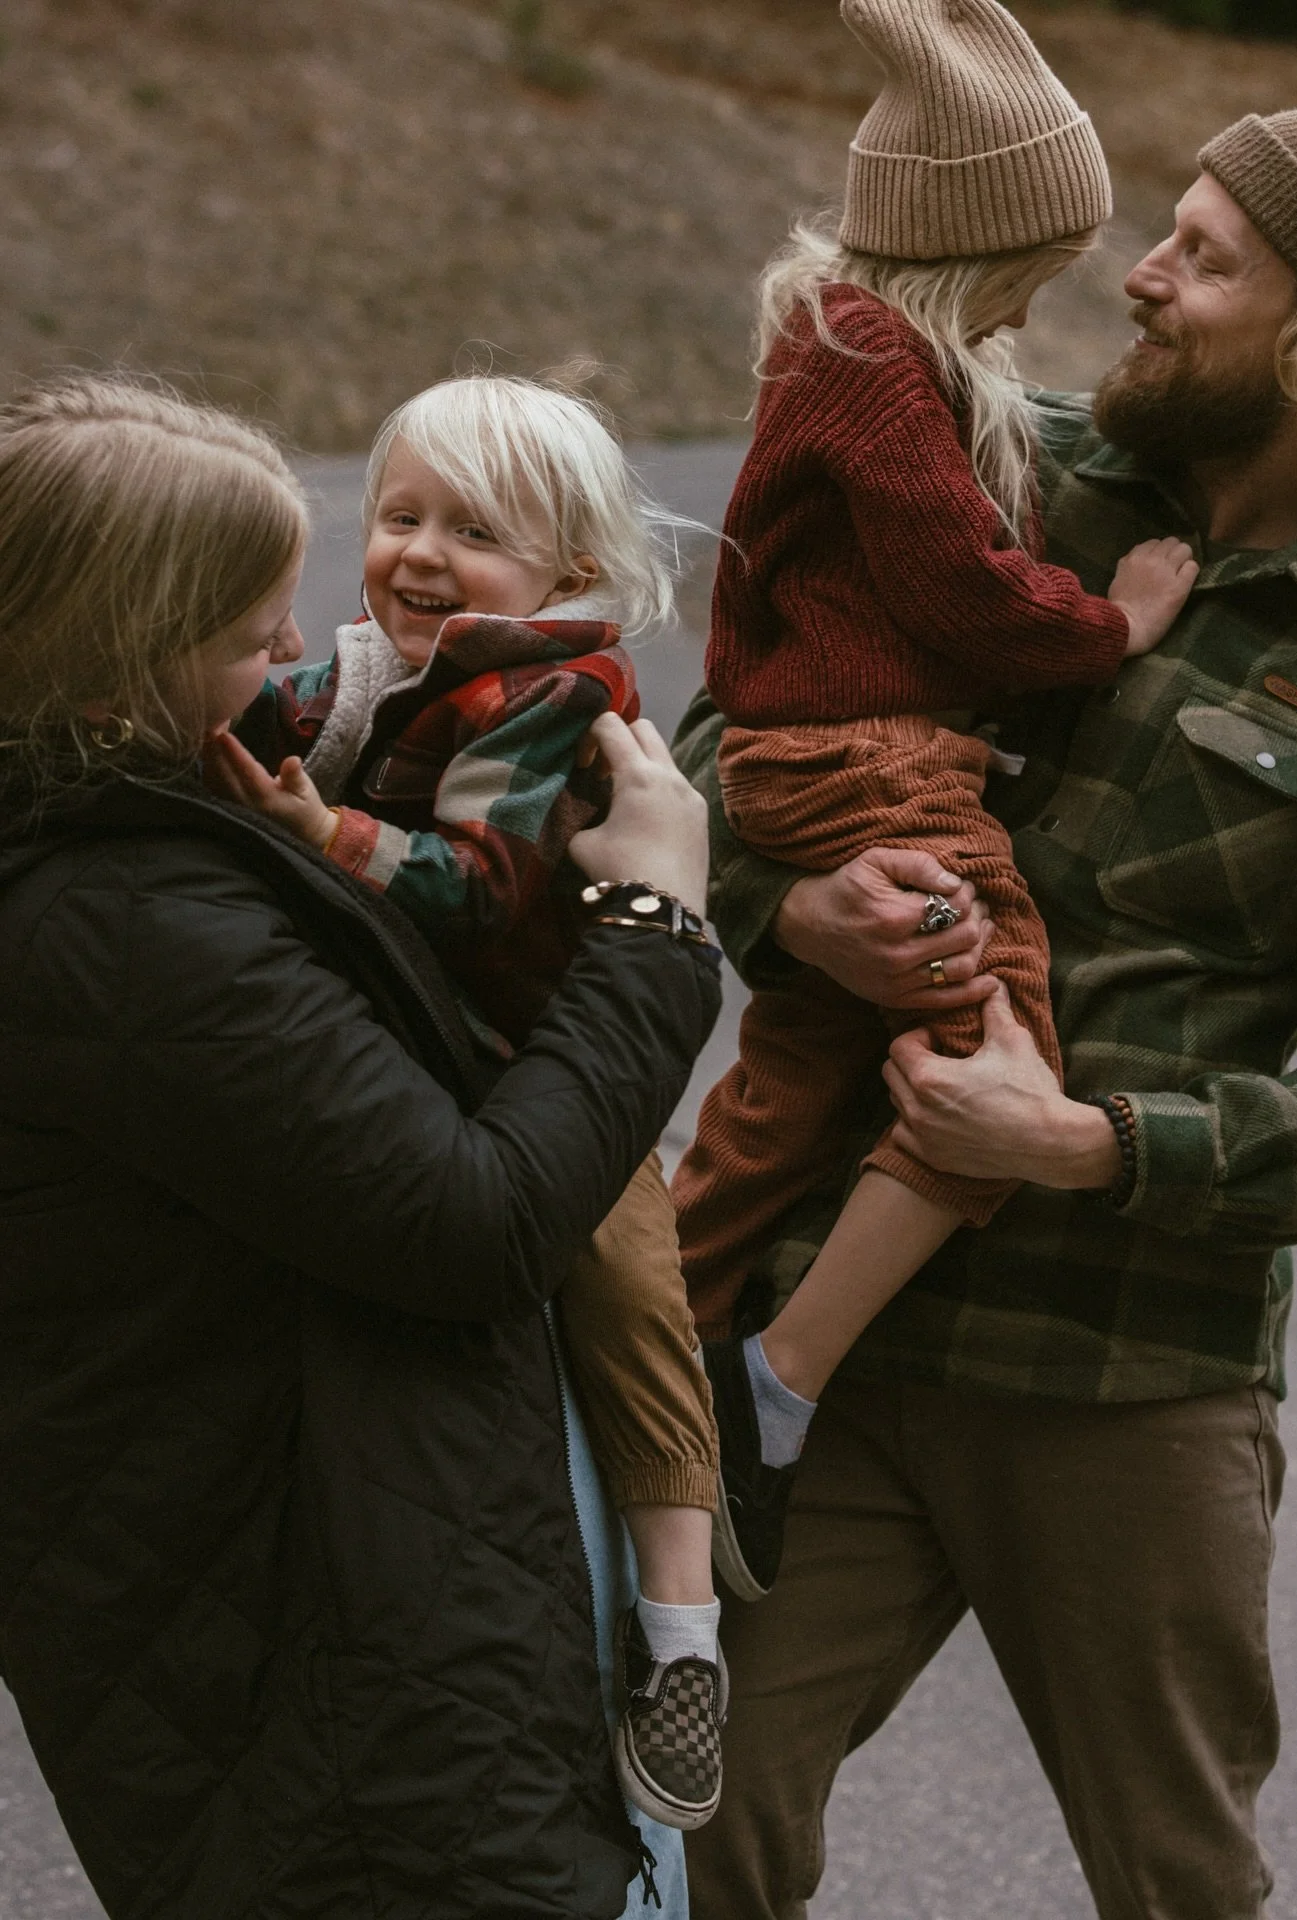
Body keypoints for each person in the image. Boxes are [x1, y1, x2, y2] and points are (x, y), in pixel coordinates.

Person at [676, 101, 1297, 1920]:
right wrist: (794, 903)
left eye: (1207, 259)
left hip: (1124, 1376)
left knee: (1178, 1880)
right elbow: (733, 722)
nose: (1146, 282)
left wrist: (1095, 1145)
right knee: (685, 1819)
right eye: (1165, 231)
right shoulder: (1009, 469)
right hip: (825, 1351)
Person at [0, 373, 721, 1919]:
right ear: (121, 670)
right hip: (350, 1719)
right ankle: (690, 1623)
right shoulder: (128, 931)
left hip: (318, 1623)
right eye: (254, 635)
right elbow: (471, 1224)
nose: (291, 656)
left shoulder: (130, 838)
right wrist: (657, 923)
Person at [670, 0, 1197, 1600]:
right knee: (1002, 1042)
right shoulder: (878, 369)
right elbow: (958, 589)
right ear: (968, 237)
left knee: (805, 1065)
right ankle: (776, 1387)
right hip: (866, 753)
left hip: (823, 749)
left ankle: (652, 1332)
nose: (1059, 286)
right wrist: (1121, 620)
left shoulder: (840, 341)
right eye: (1040, 252)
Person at [206, 371, 728, 1829]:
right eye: (398, 514)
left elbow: (485, 883)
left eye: (472, 532)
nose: (419, 555)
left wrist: (327, 830)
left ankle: (682, 1632)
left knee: (631, 1285)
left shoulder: (554, 689)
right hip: (425, 1036)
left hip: (548, 1038)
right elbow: (267, 724)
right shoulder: (378, 661)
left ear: (565, 577)